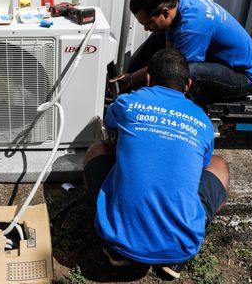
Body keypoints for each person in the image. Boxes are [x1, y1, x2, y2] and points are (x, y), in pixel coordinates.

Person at [85, 48, 229, 279]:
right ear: (188, 85)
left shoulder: (128, 103)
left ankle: (118, 251)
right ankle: (172, 255)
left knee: (97, 150)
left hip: (117, 237)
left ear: (149, 79)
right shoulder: (202, 120)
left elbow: (109, 123)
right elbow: (202, 165)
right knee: (219, 164)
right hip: (181, 245)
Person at [116, 0, 252, 105]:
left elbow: (173, 67)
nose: (145, 28)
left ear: (165, 12)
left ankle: (167, 119)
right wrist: (131, 78)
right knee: (157, 36)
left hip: (245, 76)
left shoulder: (193, 28)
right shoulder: (181, 3)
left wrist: (133, 78)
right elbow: (169, 52)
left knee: (185, 75)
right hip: (221, 62)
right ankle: (126, 90)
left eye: (148, 22)